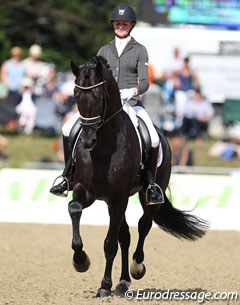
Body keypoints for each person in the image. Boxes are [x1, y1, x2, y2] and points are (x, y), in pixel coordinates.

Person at [50, 4, 164, 205]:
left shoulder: (139, 50)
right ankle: (68, 176)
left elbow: (145, 82)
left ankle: (150, 184)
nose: (121, 26)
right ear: (113, 25)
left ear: (131, 25)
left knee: (153, 138)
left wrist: (133, 90)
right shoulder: (104, 49)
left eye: (124, 23)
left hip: (131, 103)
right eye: (118, 23)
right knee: (68, 127)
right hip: (103, 105)